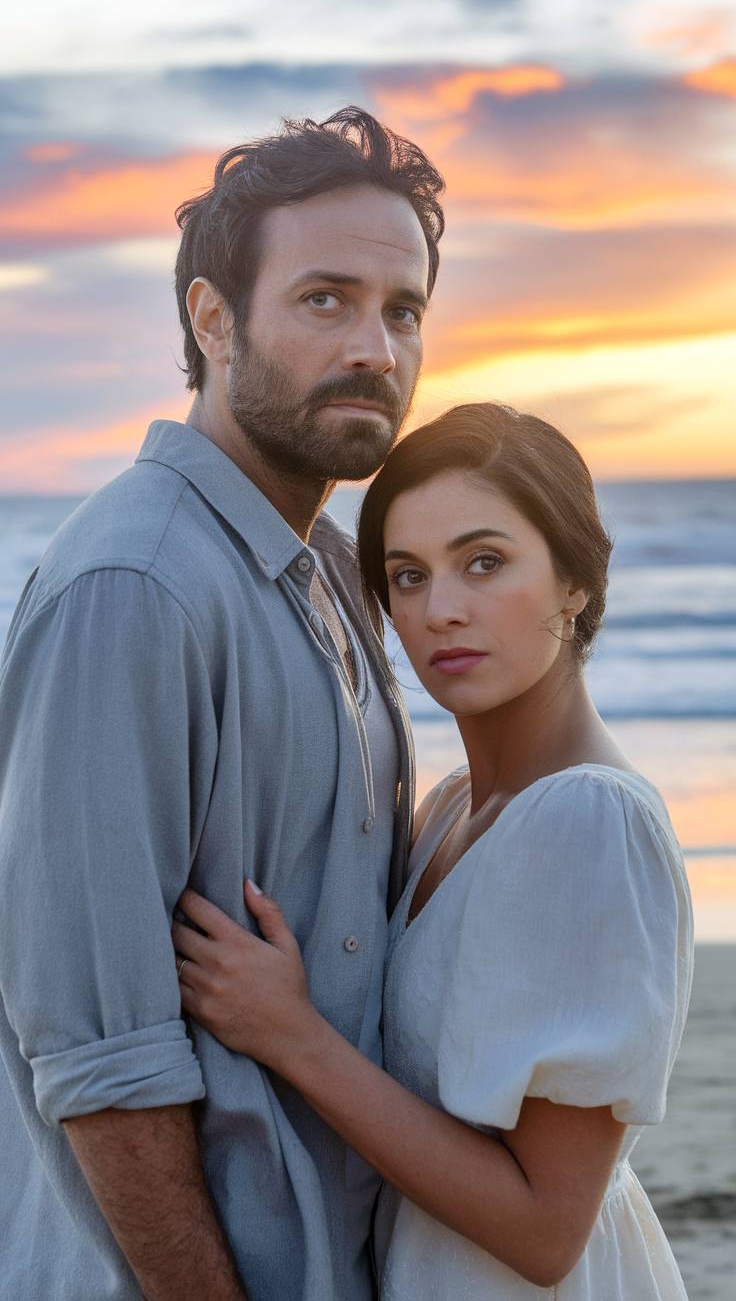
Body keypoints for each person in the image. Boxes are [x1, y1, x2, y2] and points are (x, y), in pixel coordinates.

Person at [0, 109, 444, 1301]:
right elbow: (99, 1050)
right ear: (212, 319)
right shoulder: (132, 589)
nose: (374, 346)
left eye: (402, 310)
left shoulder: (337, 575)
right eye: (323, 300)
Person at [172, 403, 694, 1299]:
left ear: (576, 579)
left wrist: (292, 1036)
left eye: (484, 563)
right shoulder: (457, 807)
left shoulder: (588, 823)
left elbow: (545, 1232)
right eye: (407, 577)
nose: (440, 611)